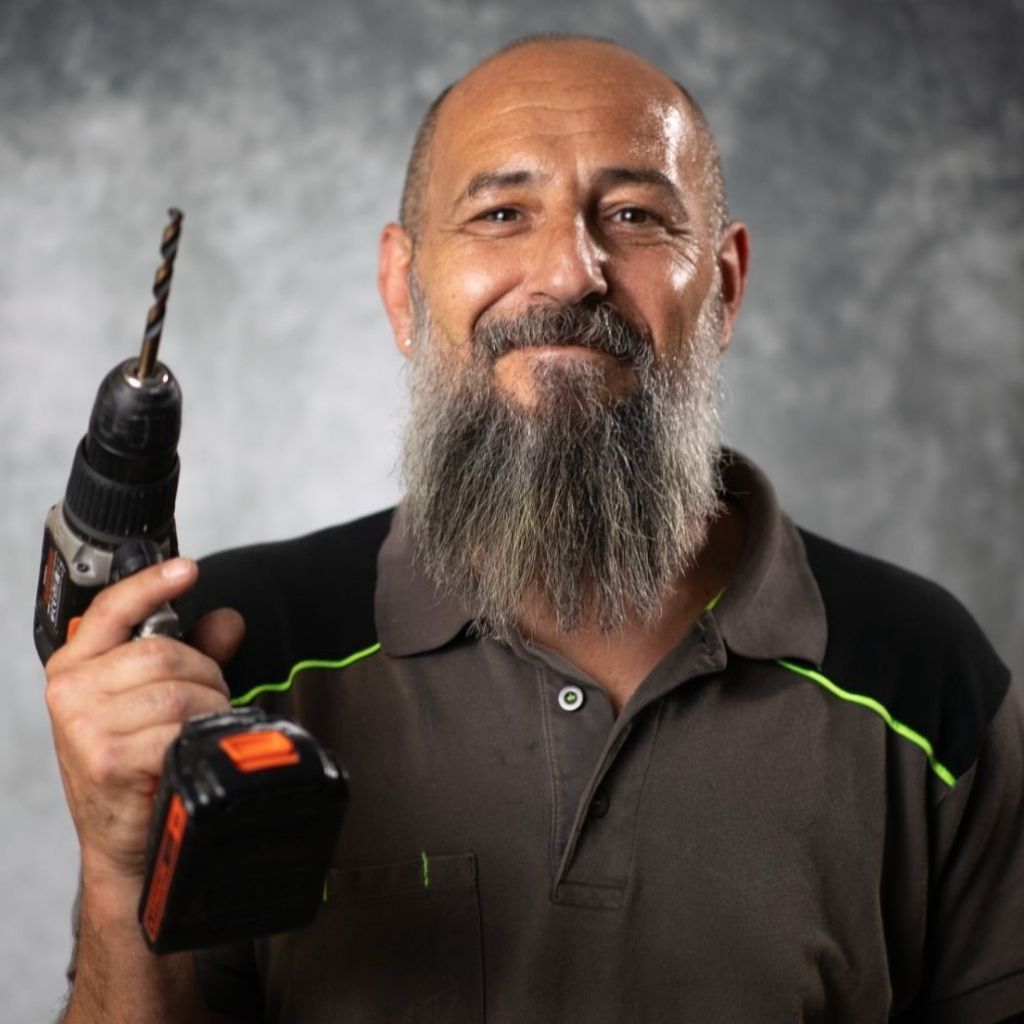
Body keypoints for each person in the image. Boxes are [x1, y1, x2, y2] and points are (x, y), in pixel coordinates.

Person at [44, 34, 1024, 1024]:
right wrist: (123, 869)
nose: (567, 272)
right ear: (403, 286)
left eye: (636, 216)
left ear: (723, 285)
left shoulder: (924, 677)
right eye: (502, 213)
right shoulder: (230, 668)